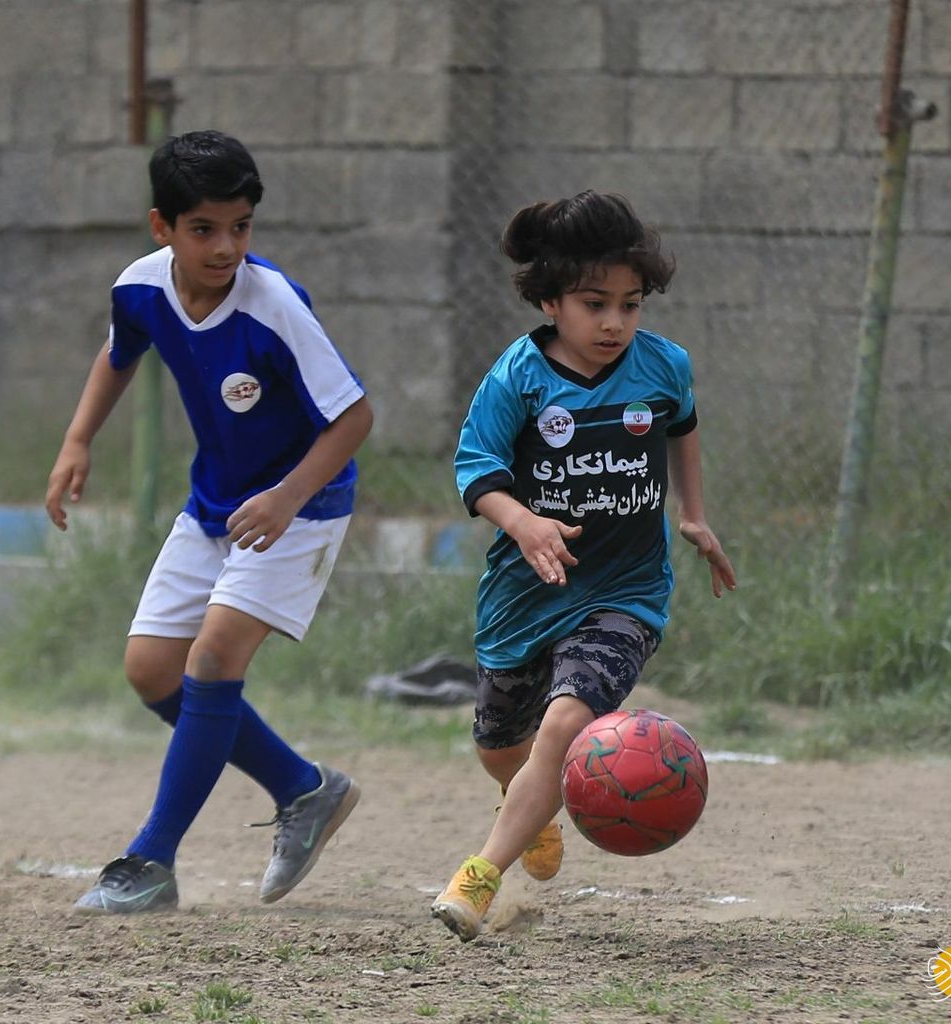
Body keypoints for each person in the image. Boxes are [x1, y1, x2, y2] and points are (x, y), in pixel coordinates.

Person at [45, 130, 373, 913]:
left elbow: (355, 416)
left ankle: (150, 862)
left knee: (215, 656)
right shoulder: (140, 287)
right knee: (151, 671)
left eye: (241, 226)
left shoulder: (274, 305)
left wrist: (289, 496)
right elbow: (120, 351)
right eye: (204, 229)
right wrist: (78, 439)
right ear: (162, 227)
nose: (226, 246)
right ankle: (304, 789)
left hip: (303, 503)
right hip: (216, 504)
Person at [431, 191, 735, 942]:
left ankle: (476, 880)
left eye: (631, 304)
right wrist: (525, 521)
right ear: (549, 298)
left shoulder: (664, 366)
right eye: (595, 303)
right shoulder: (519, 377)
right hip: (525, 595)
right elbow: (475, 471)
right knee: (500, 745)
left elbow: (683, 426)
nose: (615, 323)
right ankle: (526, 806)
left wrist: (692, 513)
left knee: (567, 720)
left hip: (627, 591)